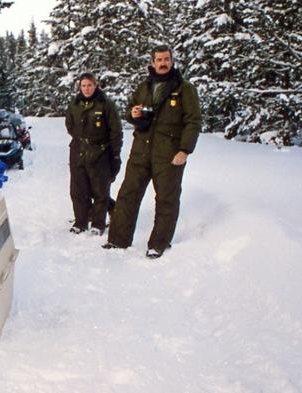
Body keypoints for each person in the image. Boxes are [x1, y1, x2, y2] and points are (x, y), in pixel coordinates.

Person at [104, 45, 202, 258]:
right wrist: (134, 114)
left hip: (169, 153)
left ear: (172, 61)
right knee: (128, 194)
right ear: (152, 63)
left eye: (166, 59)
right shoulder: (144, 87)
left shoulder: (184, 89)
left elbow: (193, 121)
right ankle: (117, 240)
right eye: (159, 59)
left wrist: (185, 150)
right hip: (141, 150)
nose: (163, 62)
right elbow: (131, 114)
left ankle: (159, 243)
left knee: (166, 198)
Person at [65, 72, 123, 235]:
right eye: (83, 85)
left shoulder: (106, 104)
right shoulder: (74, 104)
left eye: (89, 85)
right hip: (78, 151)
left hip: (100, 152)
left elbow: (115, 131)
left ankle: (98, 224)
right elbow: (69, 125)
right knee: (78, 190)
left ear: (95, 85)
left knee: (100, 190)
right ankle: (80, 222)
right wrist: (81, 139)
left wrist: (115, 153)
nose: (86, 89)